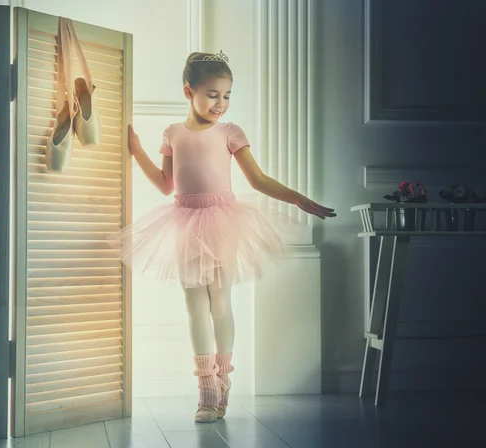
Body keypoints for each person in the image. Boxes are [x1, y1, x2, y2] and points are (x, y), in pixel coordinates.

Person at [109, 50, 336, 424]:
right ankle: (206, 391)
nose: (221, 103)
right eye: (213, 94)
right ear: (189, 91)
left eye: (227, 95)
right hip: (184, 221)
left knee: (220, 304)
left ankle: (223, 378)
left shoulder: (230, 132)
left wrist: (298, 198)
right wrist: (137, 153)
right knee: (194, 306)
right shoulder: (173, 133)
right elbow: (166, 186)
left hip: (222, 221)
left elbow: (258, 179)